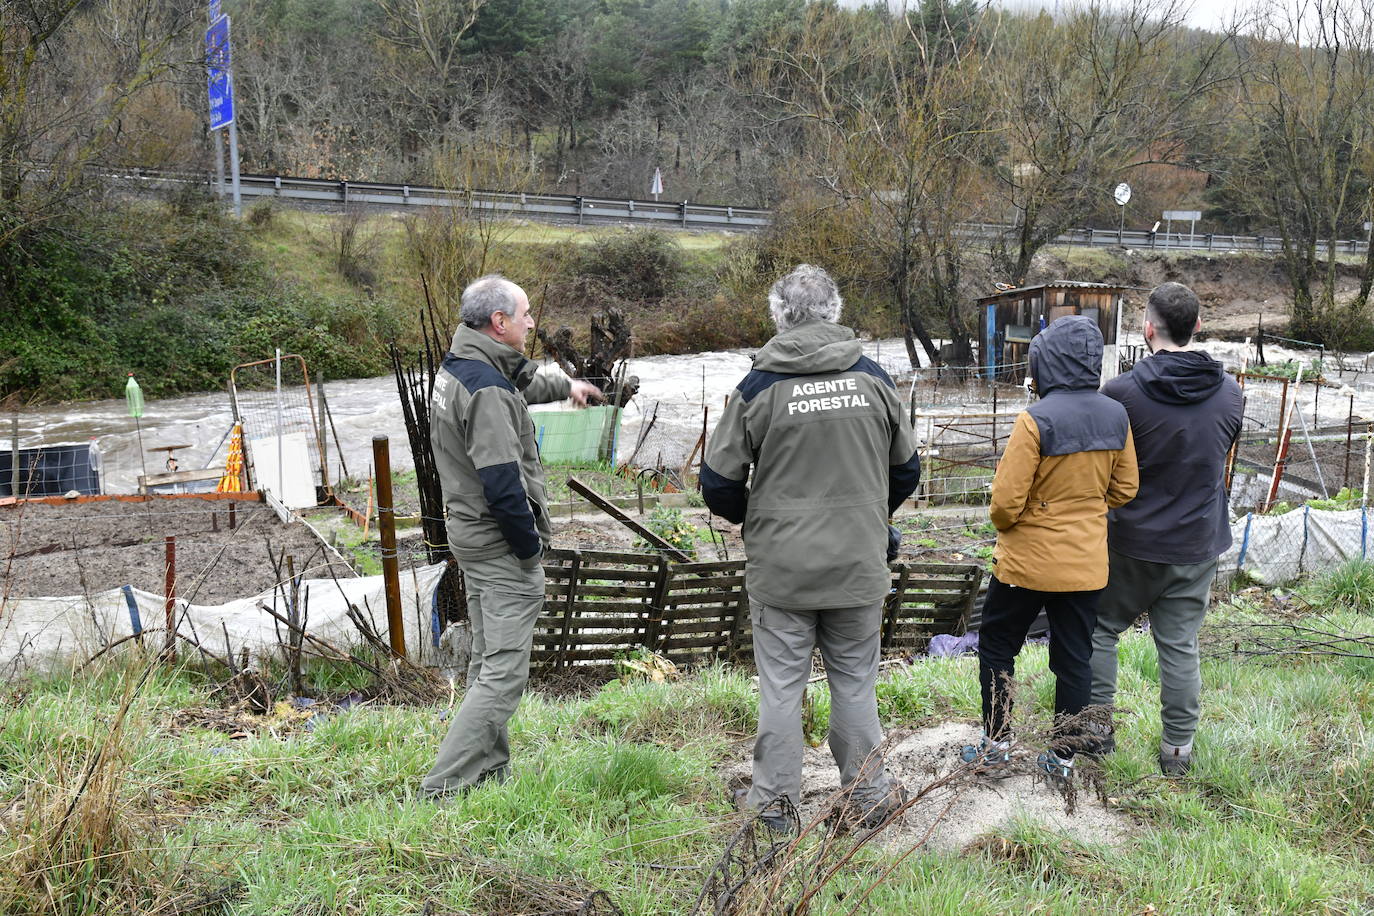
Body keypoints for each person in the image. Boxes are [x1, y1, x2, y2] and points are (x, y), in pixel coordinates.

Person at [701, 264, 922, 830]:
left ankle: (774, 811)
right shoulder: (873, 378)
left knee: (780, 688)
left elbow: (718, 484)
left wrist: (763, 525)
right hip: (857, 564)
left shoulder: (759, 386)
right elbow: (907, 471)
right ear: (835, 312)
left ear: (779, 316)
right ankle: (869, 797)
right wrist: (870, 520)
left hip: (783, 572)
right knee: (854, 681)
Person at [421, 274, 601, 798]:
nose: (531, 323)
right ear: (499, 322)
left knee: (485, 661)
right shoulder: (488, 393)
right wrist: (529, 553)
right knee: (504, 674)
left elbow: (521, 378)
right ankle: (442, 787)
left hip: (469, 535)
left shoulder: (464, 364)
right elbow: (503, 486)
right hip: (499, 544)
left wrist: (568, 387)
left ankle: (488, 774)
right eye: (524, 314)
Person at [964, 315, 1137, 780]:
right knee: (1074, 658)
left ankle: (996, 746)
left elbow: (1004, 504)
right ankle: (1061, 759)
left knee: (999, 648)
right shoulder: (1115, 415)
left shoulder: (1034, 420)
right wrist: (1083, 507)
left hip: (1025, 566)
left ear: (1047, 365)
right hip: (1084, 565)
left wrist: (1034, 516)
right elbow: (1125, 489)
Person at [1089, 282, 1242, 776]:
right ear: (1198, 326)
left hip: (1130, 542)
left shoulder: (1121, 393)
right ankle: (1177, 750)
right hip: (1195, 545)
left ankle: (1095, 732)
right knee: (1179, 646)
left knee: (1101, 631)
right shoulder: (1231, 393)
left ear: (1148, 328)